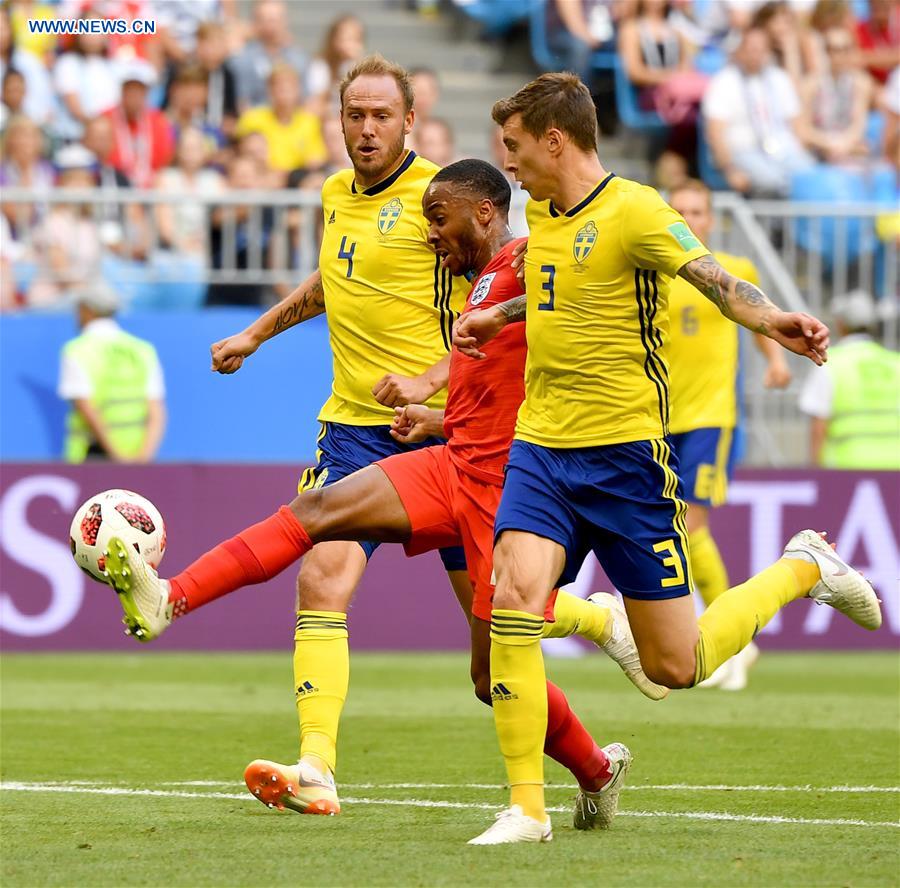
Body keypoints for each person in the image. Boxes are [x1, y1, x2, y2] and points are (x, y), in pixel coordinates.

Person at [100, 158, 665, 828]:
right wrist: (434, 416)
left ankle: (596, 728)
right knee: (316, 517)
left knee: (494, 676)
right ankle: (171, 599)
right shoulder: (469, 271)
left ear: (483, 210)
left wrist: (428, 381)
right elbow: (488, 381)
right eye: (425, 219)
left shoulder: (531, 261)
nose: (429, 233)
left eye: (439, 218)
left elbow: (542, 324)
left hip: (508, 488)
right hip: (448, 461)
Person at [451, 71, 879, 844]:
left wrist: (774, 316)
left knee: (678, 667)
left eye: (514, 147)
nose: (506, 163)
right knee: (508, 602)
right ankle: (525, 809)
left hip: (625, 463)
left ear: (555, 139)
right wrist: (499, 316)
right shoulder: (543, 214)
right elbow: (557, 289)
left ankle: (805, 566)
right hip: (542, 447)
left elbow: (712, 279)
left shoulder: (638, 211)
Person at [175, 55, 472, 808]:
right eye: (355, 115)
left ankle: (591, 759)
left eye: (381, 115)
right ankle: (316, 768)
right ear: (338, 120)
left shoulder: (444, 200)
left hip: (442, 437)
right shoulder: (334, 192)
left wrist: (436, 386)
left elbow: (500, 309)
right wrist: (256, 333)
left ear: (410, 120)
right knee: (320, 578)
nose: (367, 129)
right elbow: (330, 282)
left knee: (494, 652)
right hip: (354, 434)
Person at [667, 178, 792, 691]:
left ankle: (733, 640)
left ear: (711, 219)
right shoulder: (654, 274)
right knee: (673, 531)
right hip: (656, 421)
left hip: (709, 419)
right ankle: (726, 638)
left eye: (698, 211)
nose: (691, 219)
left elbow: (758, 316)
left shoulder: (733, 272)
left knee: (691, 526)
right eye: (681, 212)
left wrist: (777, 359)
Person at [58, 282, 166, 463]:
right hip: (138, 456)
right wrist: (145, 457)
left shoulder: (76, 350)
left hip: (92, 456)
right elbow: (156, 410)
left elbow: (85, 407)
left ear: (87, 310)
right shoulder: (142, 350)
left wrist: (117, 457)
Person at [702, 27, 815, 196]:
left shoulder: (779, 78)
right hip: (743, 151)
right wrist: (729, 169)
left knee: (809, 175)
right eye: (751, 49)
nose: (756, 55)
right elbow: (715, 133)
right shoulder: (724, 82)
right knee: (772, 180)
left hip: (783, 149)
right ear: (740, 50)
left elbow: (797, 124)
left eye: (761, 49)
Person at [798, 289, 900, 469]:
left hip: (848, 467)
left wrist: (815, 470)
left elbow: (819, 426)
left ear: (840, 324)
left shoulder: (830, 364)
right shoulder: (895, 363)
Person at [796, 26, 875, 166]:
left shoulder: (862, 83)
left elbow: (858, 125)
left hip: (849, 146)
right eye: (835, 49)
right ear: (826, 52)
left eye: (845, 49)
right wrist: (828, 143)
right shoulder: (810, 85)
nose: (840, 55)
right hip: (819, 148)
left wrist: (843, 144)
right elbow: (803, 128)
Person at [234, 64, 326, 176]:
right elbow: (239, 157)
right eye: (278, 86)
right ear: (269, 90)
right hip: (259, 179)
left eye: (289, 86)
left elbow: (315, 160)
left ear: (298, 90)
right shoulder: (251, 119)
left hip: (296, 181)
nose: (284, 91)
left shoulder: (310, 122)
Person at [103, 60, 175, 189]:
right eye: (129, 90)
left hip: (151, 187)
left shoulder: (157, 120)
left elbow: (165, 158)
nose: (134, 95)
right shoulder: (106, 118)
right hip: (117, 185)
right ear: (121, 90)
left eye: (138, 90)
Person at [229, 0, 308, 111]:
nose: (269, 26)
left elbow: (305, 100)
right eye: (263, 20)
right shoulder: (241, 60)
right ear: (255, 22)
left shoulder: (298, 58)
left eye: (274, 20)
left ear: (285, 21)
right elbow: (242, 103)